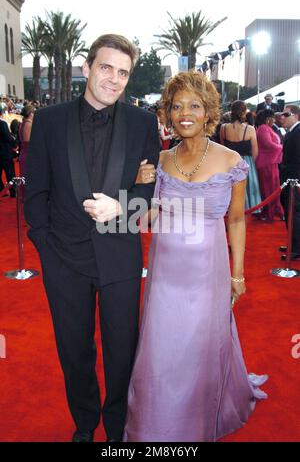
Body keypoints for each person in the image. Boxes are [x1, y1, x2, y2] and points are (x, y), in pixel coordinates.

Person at [24, 34, 160, 443]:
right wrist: (47, 248)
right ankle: (85, 425)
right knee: (74, 351)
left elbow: (147, 188)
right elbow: (35, 194)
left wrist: (122, 207)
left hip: (119, 254)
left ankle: (117, 430)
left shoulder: (142, 123)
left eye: (123, 72)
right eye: (106, 67)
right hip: (64, 258)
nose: (114, 79)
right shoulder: (49, 121)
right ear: (87, 67)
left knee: (122, 352)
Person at [123, 71, 268, 442]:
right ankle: (153, 425)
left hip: (207, 271)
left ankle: (193, 423)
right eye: (176, 106)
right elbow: (147, 216)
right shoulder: (160, 159)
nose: (184, 113)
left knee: (197, 349)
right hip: (164, 271)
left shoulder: (231, 160)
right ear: (168, 114)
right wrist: (137, 183)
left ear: (208, 112)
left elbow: (236, 220)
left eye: (194, 106)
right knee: (160, 348)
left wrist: (237, 275)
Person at [220, 100, 261, 213]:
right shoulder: (250, 129)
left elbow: (223, 149)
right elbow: (255, 152)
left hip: (230, 164)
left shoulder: (223, 128)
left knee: (231, 197)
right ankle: (244, 227)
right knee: (248, 201)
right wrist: (251, 166)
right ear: (243, 113)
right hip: (247, 164)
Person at [255, 109, 284, 222]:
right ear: (268, 119)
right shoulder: (263, 129)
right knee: (269, 189)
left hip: (271, 163)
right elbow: (269, 144)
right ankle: (269, 213)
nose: (274, 120)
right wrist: (282, 147)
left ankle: (274, 211)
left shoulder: (266, 128)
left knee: (273, 189)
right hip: (266, 164)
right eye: (273, 118)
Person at [280, 105, 300, 259]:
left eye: (286, 114)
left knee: (295, 213)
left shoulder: (298, 132)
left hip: (294, 180)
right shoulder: (292, 132)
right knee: (290, 212)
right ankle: (292, 244)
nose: (282, 117)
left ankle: (296, 249)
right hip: (289, 179)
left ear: (296, 115)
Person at [0, 106, 17, 197]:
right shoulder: (2, 124)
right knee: (10, 173)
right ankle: (13, 192)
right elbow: (8, 137)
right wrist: (15, 142)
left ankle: (2, 191)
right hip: (5, 152)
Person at [18, 104, 35, 178]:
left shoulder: (23, 123)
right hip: (28, 155)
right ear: (31, 113)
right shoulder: (28, 124)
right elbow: (28, 142)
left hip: (24, 153)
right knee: (28, 177)